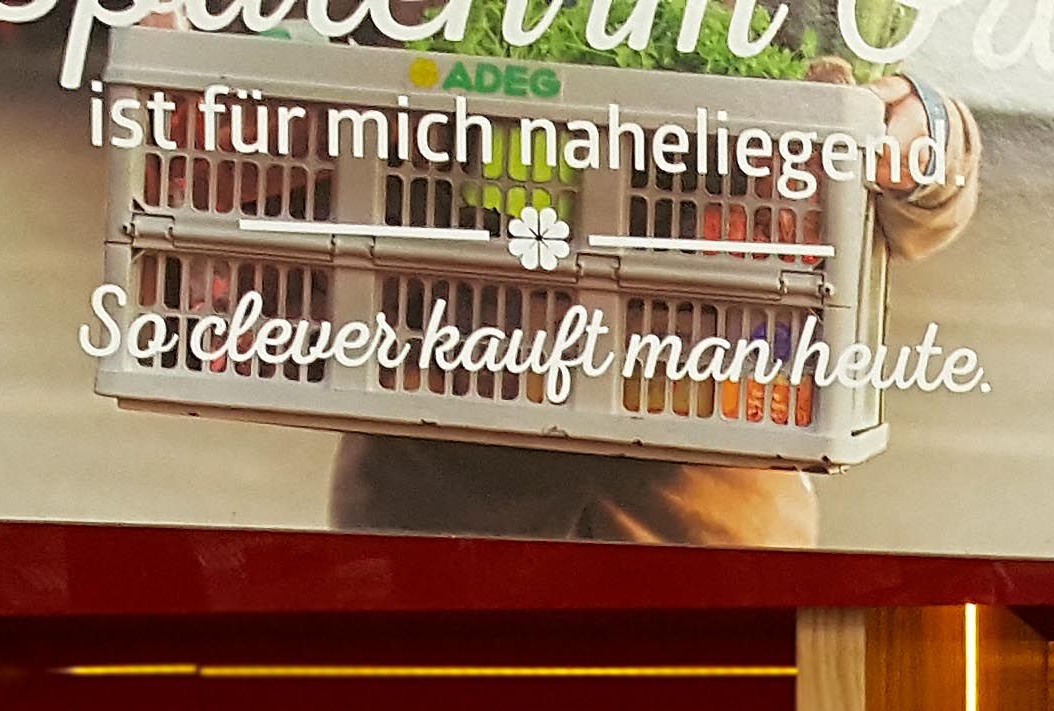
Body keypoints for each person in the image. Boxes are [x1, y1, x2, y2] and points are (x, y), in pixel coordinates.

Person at [330, 67, 981, 547]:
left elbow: (923, 194)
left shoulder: (781, 23)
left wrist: (924, 134)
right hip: (441, 505)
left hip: (704, 520)